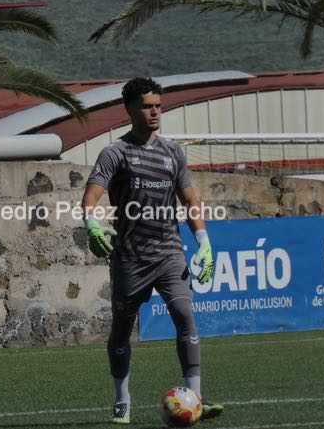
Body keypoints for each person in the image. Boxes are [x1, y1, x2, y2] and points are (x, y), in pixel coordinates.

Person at [81, 77, 223, 424]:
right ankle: (122, 400)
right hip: (130, 258)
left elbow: (189, 200)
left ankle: (196, 399)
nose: (155, 112)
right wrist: (92, 225)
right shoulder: (115, 152)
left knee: (185, 316)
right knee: (121, 329)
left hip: (169, 253)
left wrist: (204, 241)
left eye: (158, 105)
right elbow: (91, 196)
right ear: (130, 109)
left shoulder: (173, 152)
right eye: (147, 106)